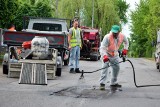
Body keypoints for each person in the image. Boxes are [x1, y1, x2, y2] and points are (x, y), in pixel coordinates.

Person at [99, 25, 129, 90]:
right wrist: (104, 56)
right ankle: (102, 83)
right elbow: (102, 48)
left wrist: (125, 50)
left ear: (119, 32)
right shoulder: (107, 37)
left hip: (115, 54)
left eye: (116, 33)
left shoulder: (122, 36)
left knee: (116, 68)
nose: (114, 34)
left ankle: (113, 83)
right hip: (106, 53)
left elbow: (126, 42)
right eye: (113, 32)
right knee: (105, 67)